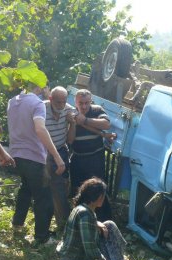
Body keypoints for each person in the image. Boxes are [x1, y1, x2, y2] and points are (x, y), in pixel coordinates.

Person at [7, 83, 66, 245]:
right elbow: (40, 129)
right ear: (39, 86)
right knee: (44, 198)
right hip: (33, 157)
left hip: (16, 155)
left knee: (25, 189)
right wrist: (57, 156)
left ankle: (17, 223)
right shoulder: (37, 103)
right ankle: (42, 237)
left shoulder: (12, 101)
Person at [57, 177, 137, 260]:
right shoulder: (85, 214)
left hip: (84, 255)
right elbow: (91, 249)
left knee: (109, 225)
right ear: (98, 196)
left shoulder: (85, 209)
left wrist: (96, 222)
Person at [71, 89, 112, 222]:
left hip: (95, 158)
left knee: (98, 190)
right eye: (80, 103)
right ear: (75, 102)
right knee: (79, 191)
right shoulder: (70, 113)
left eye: (86, 103)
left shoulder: (96, 110)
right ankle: (80, 220)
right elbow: (69, 140)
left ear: (91, 101)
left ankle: (103, 221)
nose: (83, 106)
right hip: (78, 158)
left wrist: (85, 120)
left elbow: (106, 124)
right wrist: (73, 122)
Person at [45, 86, 76, 231]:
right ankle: (56, 221)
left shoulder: (69, 110)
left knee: (61, 186)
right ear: (50, 99)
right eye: (58, 102)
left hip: (61, 150)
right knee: (49, 185)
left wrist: (72, 123)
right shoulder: (41, 109)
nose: (61, 105)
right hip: (44, 152)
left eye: (64, 102)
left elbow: (70, 140)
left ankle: (61, 222)